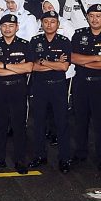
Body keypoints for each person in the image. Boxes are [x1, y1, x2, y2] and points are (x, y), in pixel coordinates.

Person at [70, 4, 101, 172]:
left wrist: (87, 62)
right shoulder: (79, 35)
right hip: (81, 84)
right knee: (80, 121)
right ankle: (80, 153)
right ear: (87, 17)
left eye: (98, 16)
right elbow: (73, 58)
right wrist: (95, 58)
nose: (94, 19)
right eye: (91, 15)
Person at [0, 14, 34, 174]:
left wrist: (5, 66)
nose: (7, 28)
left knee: (19, 126)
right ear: (0, 27)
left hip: (18, 89)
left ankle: (20, 160)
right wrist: (15, 67)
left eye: (11, 26)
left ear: (17, 27)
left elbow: (28, 68)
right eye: (4, 25)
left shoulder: (25, 45)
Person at [29, 10, 73, 173]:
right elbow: (31, 66)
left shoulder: (64, 42)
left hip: (58, 86)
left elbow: (64, 66)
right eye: (46, 21)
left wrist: (42, 61)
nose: (49, 25)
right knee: (39, 123)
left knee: (62, 123)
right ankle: (40, 155)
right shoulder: (35, 41)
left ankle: (64, 158)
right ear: (42, 23)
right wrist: (52, 62)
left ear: (58, 24)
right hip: (40, 86)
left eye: (52, 22)